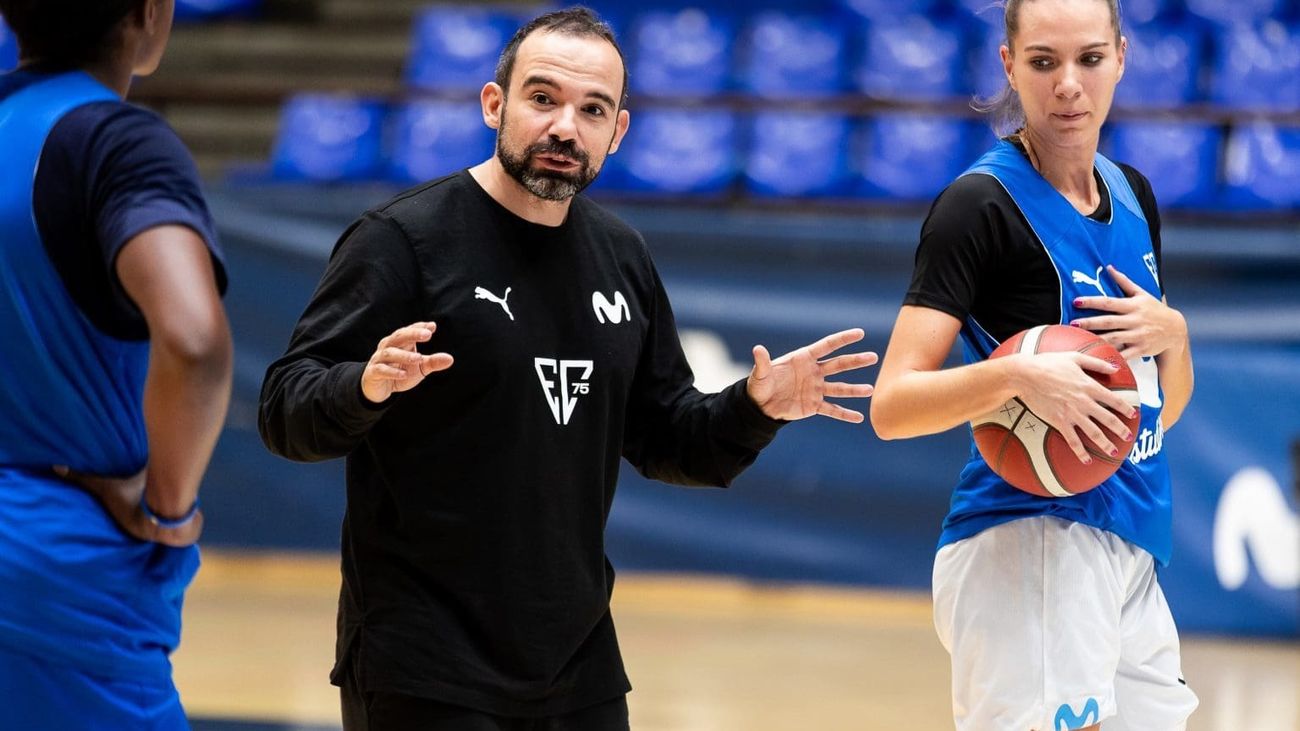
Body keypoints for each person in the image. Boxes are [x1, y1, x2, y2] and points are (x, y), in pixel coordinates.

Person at [258, 7, 877, 730]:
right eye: (543, 98)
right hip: (424, 659)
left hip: (576, 661)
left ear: (617, 132)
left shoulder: (621, 257)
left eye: (592, 110)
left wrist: (754, 406)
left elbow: (670, 440)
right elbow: (282, 410)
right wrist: (360, 385)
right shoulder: (401, 241)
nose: (564, 127)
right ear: (496, 104)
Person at [870, 1, 1199, 729]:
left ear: (1122, 55)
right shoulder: (977, 206)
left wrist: (1175, 334)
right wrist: (1016, 376)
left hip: (1128, 539)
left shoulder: (1133, 193)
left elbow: (1163, 409)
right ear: (1009, 65)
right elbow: (891, 405)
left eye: (1089, 59)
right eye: (1044, 62)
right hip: (1030, 539)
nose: (1068, 85)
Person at [0, 0, 232, 727]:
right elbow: (194, 342)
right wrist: (168, 507)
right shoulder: (116, 141)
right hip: (57, 574)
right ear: (151, 13)